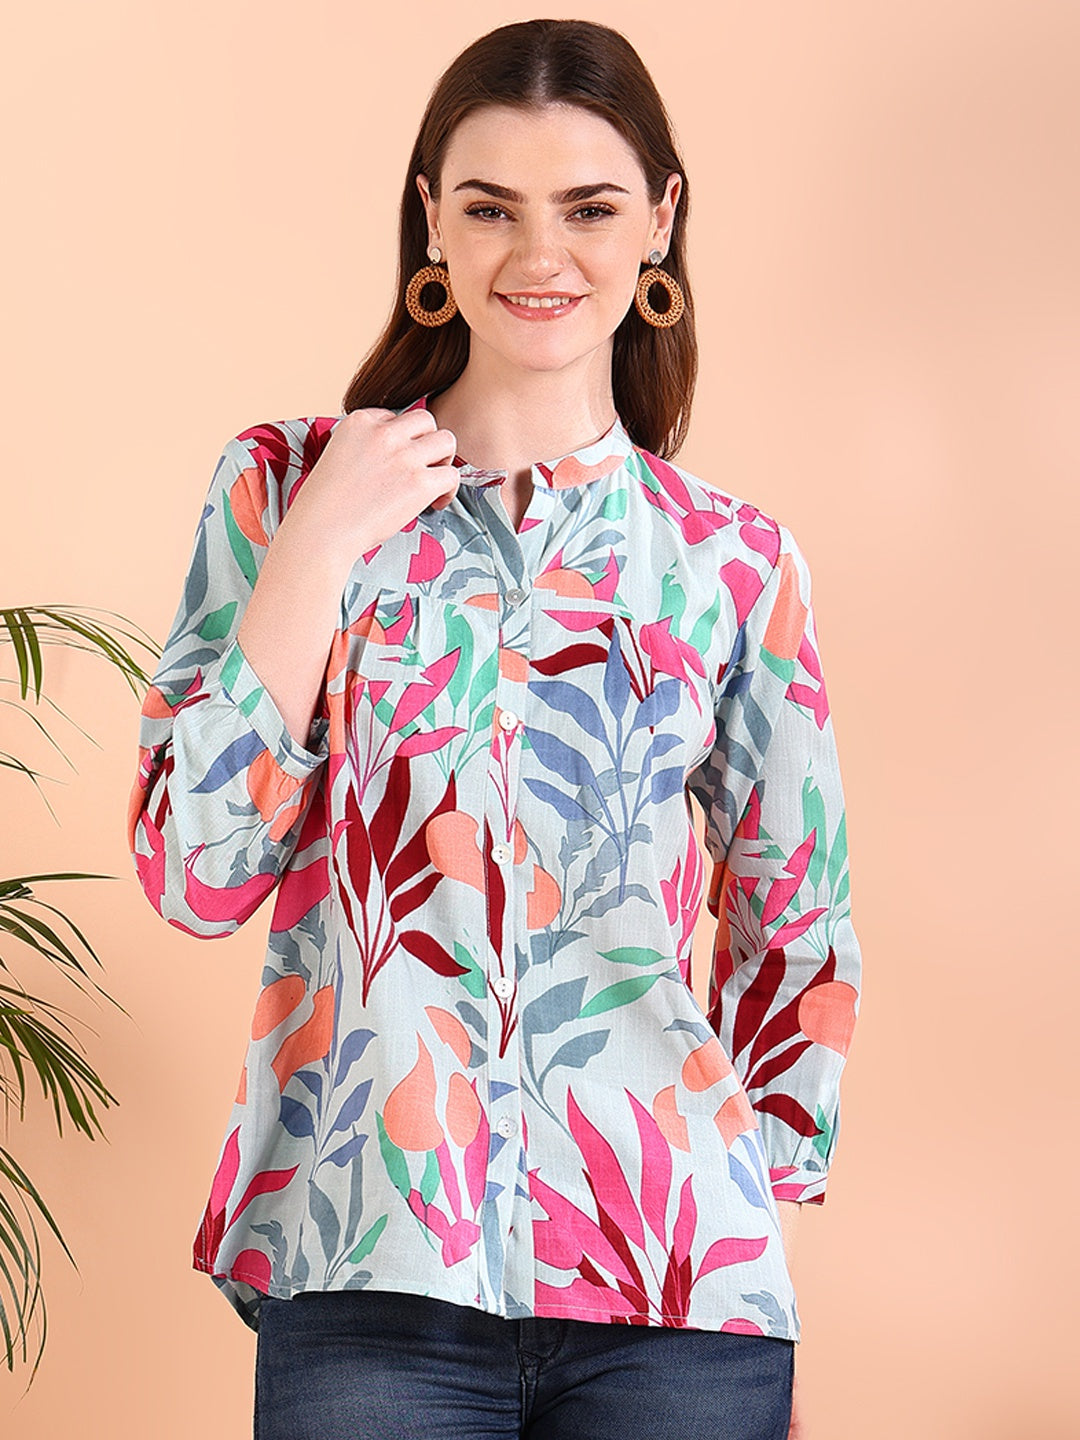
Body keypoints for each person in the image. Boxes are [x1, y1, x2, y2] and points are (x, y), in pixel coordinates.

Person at [127, 17, 861, 1440]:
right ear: (431, 220)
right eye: (490, 208)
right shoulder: (283, 489)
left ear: (661, 221)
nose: (541, 254)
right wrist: (319, 547)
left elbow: (798, 907)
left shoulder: (732, 561)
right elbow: (195, 871)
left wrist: (744, 1188)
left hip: (672, 1288)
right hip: (366, 1265)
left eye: (588, 209)